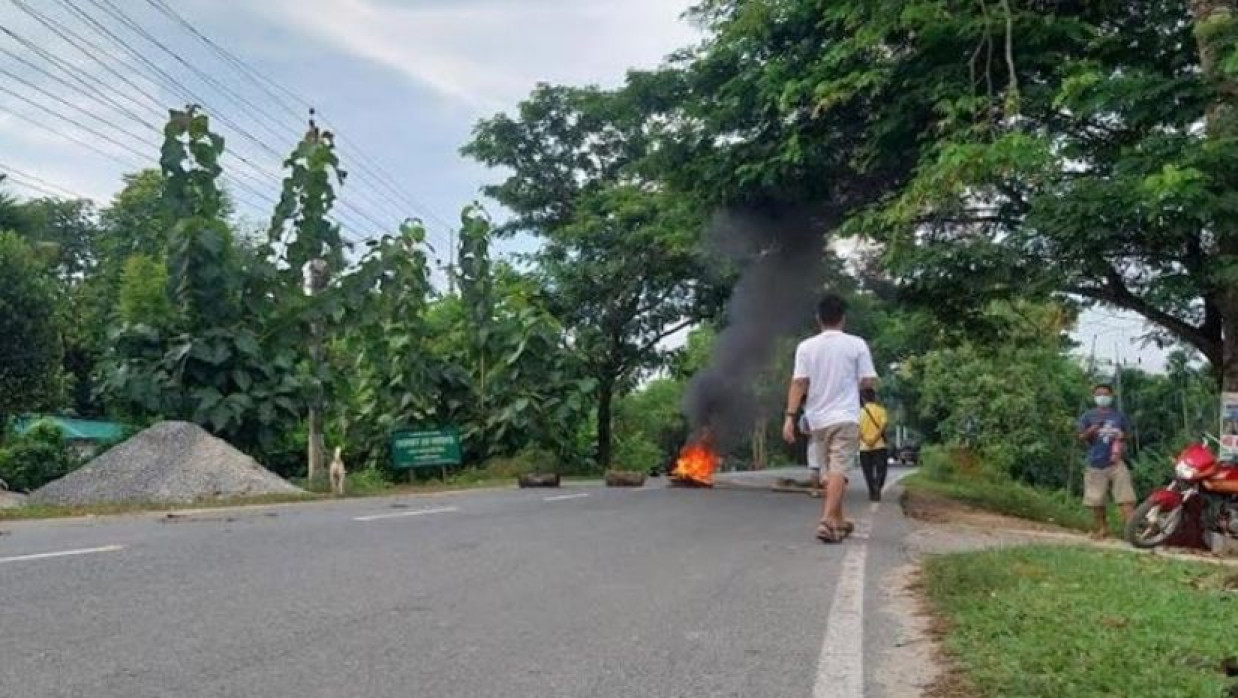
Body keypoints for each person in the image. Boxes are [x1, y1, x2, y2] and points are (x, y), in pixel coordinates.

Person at [782, 293, 878, 543]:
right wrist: (852, 381)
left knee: (829, 473)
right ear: (843, 319)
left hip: (817, 420)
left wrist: (790, 417)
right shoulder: (856, 344)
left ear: (818, 319)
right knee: (838, 471)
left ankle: (839, 521)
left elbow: (799, 383)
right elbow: (868, 381)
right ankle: (827, 521)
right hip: (845, 417)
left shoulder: (806, 347)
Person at [1077, 383, 1137, 539]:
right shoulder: (1087, 416)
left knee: (1126, 498)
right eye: (1098, 394)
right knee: (1096, 500)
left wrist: (1121, 435)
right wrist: (1091, 431)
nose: (1102, 397)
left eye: (1105, 394)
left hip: (1116, 462)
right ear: (1094, 397)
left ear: (1111, 396)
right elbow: (1080, 437)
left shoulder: (1119, 416)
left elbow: (1129, 435)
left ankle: (1132, 532)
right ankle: (1103, 529)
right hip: (1095, 462)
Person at [858, 387, 889, 502]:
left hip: (864, 447)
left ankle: (872, 491)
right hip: (879, 446)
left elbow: (857, 429)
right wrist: (875, 439)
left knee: (868, 471)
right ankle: (877, 486)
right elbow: (883, 425)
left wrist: (866, 440)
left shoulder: (859, 413)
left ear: (863, 398)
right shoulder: (881, 410)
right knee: (881, 470)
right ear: (874, 397)